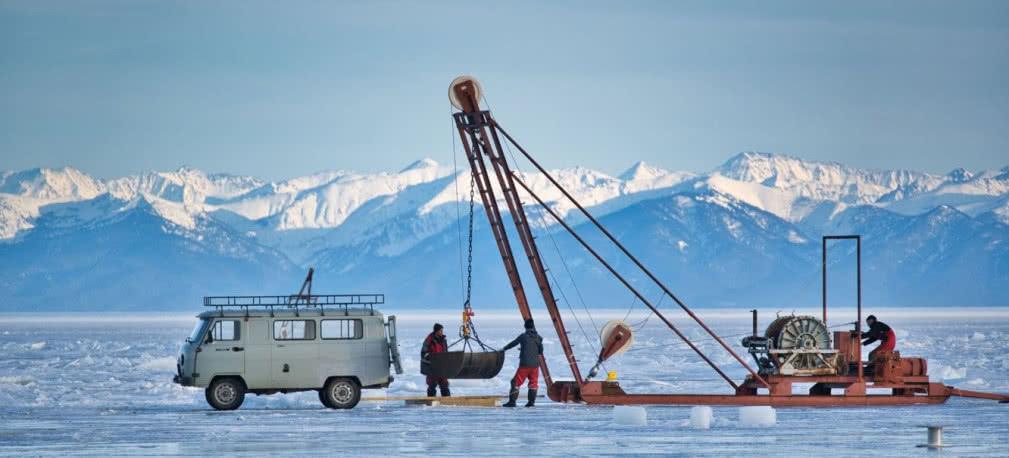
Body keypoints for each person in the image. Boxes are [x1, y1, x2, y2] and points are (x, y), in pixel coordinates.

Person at [502, 318, 543, 407]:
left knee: (515, 382)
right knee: (533, 383)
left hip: (525, 364)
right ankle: (531, 403)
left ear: (525, 327)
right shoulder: (539, 337)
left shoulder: (523, 336)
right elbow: (540, 351)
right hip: (535, 365)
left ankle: (512, 402)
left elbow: (513, 343)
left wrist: (504, 349)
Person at [421, 323, 450, 397]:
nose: (442, 332)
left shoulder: (443, 340)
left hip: (442, 366)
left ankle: (447, 401)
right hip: (432, 367)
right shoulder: (429, 340)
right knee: (432, 384)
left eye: (442, 330)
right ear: (436, 331)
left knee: (444, 384)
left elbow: (446, 352)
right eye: (441, 330)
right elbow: (423, 353)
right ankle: (430, 402)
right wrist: (431, 357)